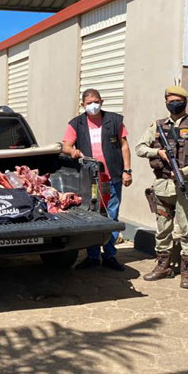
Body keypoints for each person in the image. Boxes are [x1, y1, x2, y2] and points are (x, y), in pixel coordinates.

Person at [135, 85, 188, 289]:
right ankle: (163, 265)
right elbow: (140, 148)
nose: (174, 103)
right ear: (165, 102)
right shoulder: (157, 125)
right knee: (162, 228)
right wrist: (158, 153)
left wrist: (186, 171)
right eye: (170, 100)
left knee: (187, 228)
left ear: (185, 101)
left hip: (186, 184)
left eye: (178, 100)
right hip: (162, 184)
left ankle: (187, 270)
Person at [62, 88, 132, 271]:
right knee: (92, 216)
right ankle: (92, 256)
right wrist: (72, 151)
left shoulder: (115, 121)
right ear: (82, 105)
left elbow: (124, 146)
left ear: (102, 101)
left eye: (96, 101)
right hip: (90, 180)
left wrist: (127, 170)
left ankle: (109, 255)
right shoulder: (76, 124)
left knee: (112, 215)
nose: (93, 105)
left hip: (113, 177)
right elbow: (66, 146)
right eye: (89, 103)